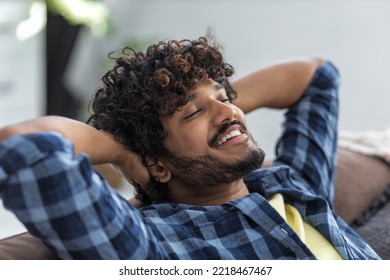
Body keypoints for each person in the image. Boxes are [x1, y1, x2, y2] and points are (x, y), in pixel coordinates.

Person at [0, 36, 380, 260]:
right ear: (158, 165)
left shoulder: (294, 183)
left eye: (224, 95)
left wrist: (221, 111)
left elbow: (317, 76)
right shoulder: (153, 245)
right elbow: (23, 146)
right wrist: (121, 149)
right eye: (192, 112)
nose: (230, 109)